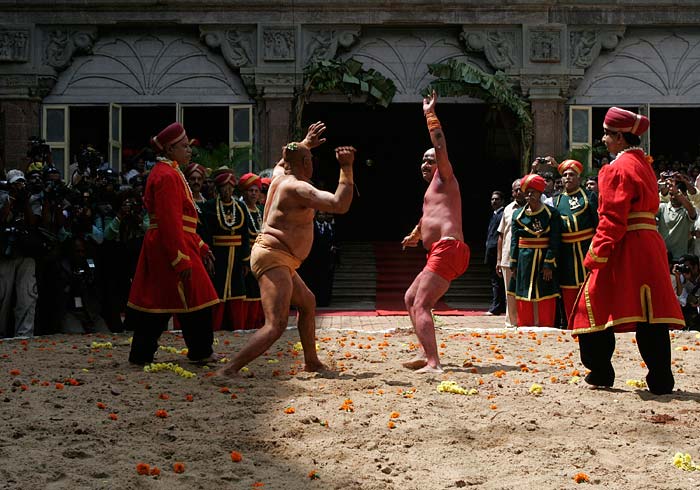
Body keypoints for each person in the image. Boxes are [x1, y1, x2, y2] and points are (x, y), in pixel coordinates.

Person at [213, 122, 355, 381]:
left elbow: (284, 159)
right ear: (304, 162)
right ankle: (228, 369)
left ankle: (311, 362)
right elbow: (339, 203)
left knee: (308, 303)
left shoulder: (280, 175)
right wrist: (346, 167)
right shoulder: (297, 187)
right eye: (310, 159)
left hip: (280, 258)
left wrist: (305, 143)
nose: (313, 164)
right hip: (273, 256)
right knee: (276, 324)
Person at [569, 107, 685, 395]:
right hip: (650, 243)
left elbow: (612, 218)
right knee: (650, 313)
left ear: (620, 137)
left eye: (607, 134)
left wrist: (595, 254)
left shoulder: (616, 169)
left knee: (591, 303)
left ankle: (600, 371)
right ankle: (661, 378)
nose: (603, 139)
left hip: (627, 244)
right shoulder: (644, 164)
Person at [126, 122, 220, 365]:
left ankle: (144, 353)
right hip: (170, 244)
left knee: (163, 300)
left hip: (175, 241)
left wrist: (200, 246)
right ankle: (199, 351)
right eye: (184, 146)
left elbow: (183, 221)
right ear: (169, 149)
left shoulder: (170, 171)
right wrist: (180, 258)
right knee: (190, 298)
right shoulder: (166, 175)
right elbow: (169, 221)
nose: (189, 150)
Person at [400, 91, 470, 374]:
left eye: (430, 160)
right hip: (439, 251)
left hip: (448, 248)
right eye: (423, 161)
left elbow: (439, 146)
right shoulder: (433, 191)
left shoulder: (445, 177)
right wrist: (415, 235)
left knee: (421, 303)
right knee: (410, 298)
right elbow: (428, 218)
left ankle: (433, 362)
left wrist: (430, 114)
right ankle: (424, 351)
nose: (426, 164)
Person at [199, 169, 250, 330]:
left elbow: (244, 235)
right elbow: (206, 233)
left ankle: (235, 325)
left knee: (236, 289)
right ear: (218, 189)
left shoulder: (240, 207)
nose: (227, 191)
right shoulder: (210, 207)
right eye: (223, 187)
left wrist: (245, 260)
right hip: (218, 255)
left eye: (230, 187)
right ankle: (215, 325)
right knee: (217, 288)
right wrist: (208, 256)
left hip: (236, 256)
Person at [508, 174, 562, 327]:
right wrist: (513, 263)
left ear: (540, 194)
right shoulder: (518, 215)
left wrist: (548, 264)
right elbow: (514, 241)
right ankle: (524, 323)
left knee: (546, 291)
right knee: (523, 291)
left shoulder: (552, 214)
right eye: (528, 192)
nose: (530, 195)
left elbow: (555, 240)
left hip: (543, 257)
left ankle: (546, 324)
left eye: (534, 192)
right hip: (524, 259)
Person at [553, 159, 598, 319]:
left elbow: (598, 224)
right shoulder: (556, 200)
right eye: (564, 175)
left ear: (579, 178)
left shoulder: (588, 197)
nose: (567, 178)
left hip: (587, 249)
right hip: (566, 253)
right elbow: (555, 233)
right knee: (568, 287)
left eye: (571, 174)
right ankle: (571, 322)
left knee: (590, 287)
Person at [497, 178, 526, 327]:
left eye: (521, 188)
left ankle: (524, 321)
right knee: (510, 292)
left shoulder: (532, 207)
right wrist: (498, 259)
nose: (518, 192)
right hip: (508, 257)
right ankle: (511, 322)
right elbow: (501, 235)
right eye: (515, 190)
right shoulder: (507, 209)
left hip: (527, 256)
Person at [238, 172, 264, 329]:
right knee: (248, 289)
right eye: (250, 190)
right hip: (247, 256)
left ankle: (260, 322)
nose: (253, 194)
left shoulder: (261, 210)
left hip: (261, 255)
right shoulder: (240, 209)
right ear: (244, 192)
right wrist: (245, 259)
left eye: (256, 191)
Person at [485, 191, 505, 316]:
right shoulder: (494, 215)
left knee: (497, 282)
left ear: (502, 201)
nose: (494, 201)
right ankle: (498, 305)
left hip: (497, 252)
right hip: (491, 251)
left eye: (497, 199)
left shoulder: (502, 214)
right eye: (492, 199)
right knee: (495, 281)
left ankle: (496, 307)